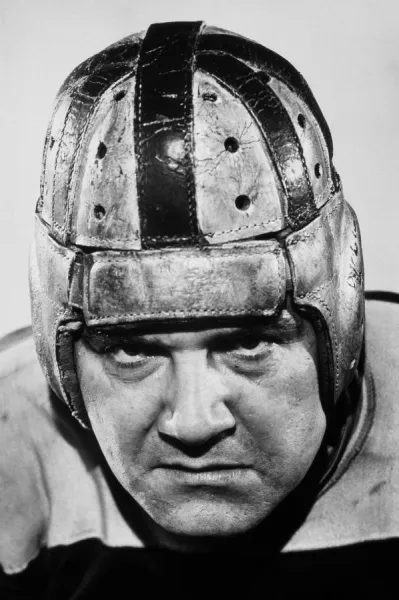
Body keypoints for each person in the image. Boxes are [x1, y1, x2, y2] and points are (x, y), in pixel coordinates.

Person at [1, 20, 398, 598]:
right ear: (57, 353)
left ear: (339, 322)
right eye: (132, 349)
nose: (192, 422)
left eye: (247, 343)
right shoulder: (17, 462)